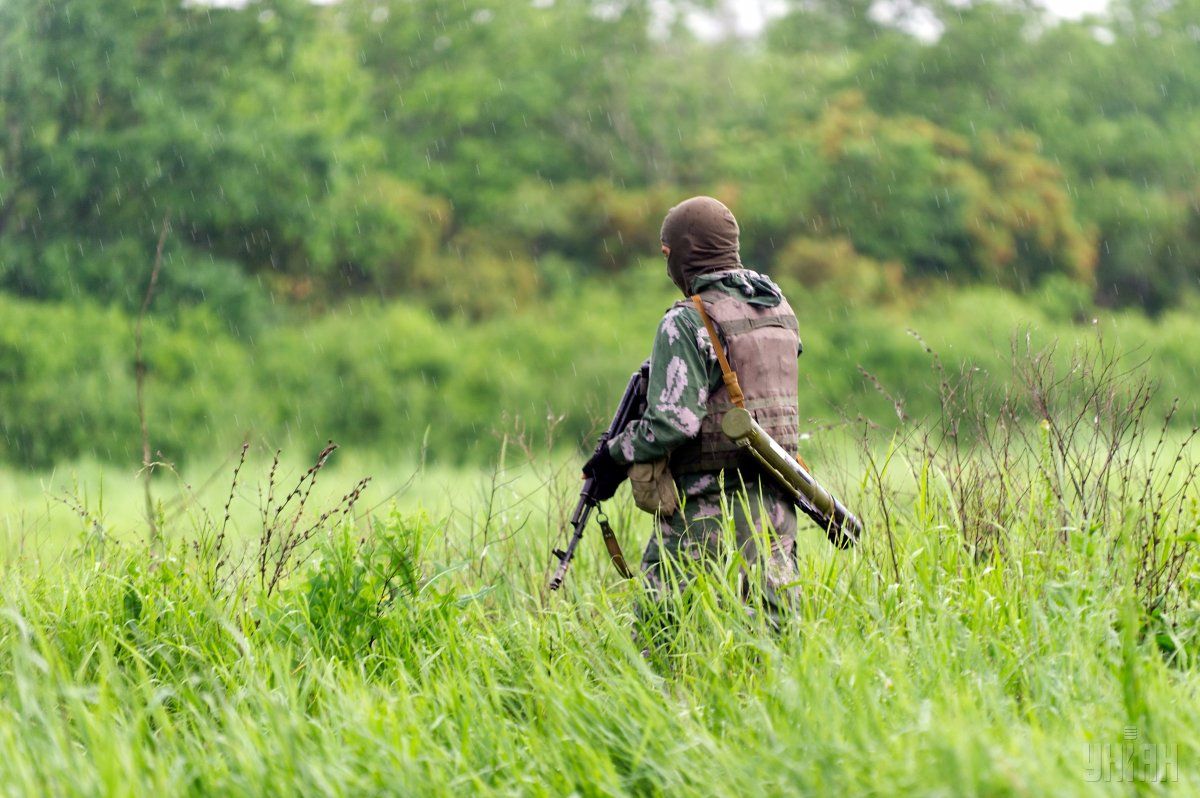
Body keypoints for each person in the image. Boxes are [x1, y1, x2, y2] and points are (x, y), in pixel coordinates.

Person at [583, 196, 802, 618]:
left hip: (705, 511)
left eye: (668, 254)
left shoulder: (686, 321)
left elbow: (673, 423)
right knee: (771, 643)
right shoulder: (779, 308)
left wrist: (613, 453)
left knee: (665, 639)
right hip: (775, 505)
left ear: (685, 253)